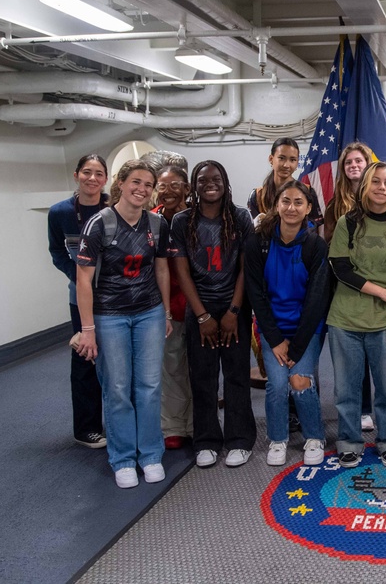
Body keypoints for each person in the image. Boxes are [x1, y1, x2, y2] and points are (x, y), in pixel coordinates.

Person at [74, 159, 172, 489]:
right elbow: (83, 280)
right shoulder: (99, 224)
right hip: (109, 316)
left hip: (149, 313)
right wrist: (88, 329)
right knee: (117, 389)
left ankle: (150, 454)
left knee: (149, 386)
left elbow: (161, 270)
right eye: (136, 182)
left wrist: (167, 313)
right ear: (121, 183)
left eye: (148, 184)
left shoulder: (157, 224)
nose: (142, 189)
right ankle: (123, 458)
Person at [328, 162, 386, 468]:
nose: (382, 188)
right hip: (345, 320)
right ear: (365, 185)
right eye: (376, 182)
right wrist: (380, 291)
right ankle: (350, 442)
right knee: (347, 389)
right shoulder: (347, 223)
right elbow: (340, 267)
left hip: (385, 322)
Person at [171, 160, 258, 469]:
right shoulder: (182, 222)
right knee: (203, 377)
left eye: (216, 178)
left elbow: (247, 267)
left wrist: (234, 310)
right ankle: (206, 440)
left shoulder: (240, 217)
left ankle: (239, 440)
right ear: (194, 186)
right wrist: (203, 316)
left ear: (225, 182)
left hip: (235, 308)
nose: (210, 183)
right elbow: (181, 271)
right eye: (203, 179)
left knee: (236, 376)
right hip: (200, 310)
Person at [245, 180, 331, 467]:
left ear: (308, 208)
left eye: (298, 202)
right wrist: (275, 339)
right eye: (286, 201)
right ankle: (278, 439)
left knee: (300, 380)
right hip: (273, 331)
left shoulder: (315, 245)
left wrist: (296, 348)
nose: (291, 207)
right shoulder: (259, 242)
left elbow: (317, 299)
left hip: (307, 330)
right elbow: (256, 294)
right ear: (276, 205)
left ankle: (314, 437)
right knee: (277, 385)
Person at [47, 154, 108, 449]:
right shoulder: (60, 213)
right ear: (76, 175)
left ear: (106, 179)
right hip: (80, 297)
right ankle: (87, 428)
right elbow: (57, 251)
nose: (92, 178)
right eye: (87, 172)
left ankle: (121, 422)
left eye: (98, 173)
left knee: (117, 360)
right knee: (85, 358)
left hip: (114, 296)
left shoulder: (113, 207)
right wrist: (80, 276)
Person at [322, 141, 377, 432]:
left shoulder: (380, 197)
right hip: (345, 286)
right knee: (350, 357)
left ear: (368, 164)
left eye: (359, 161)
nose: (354, 166)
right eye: (348, 162)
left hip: (377, 285)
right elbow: (332, 245)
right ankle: (359, 410)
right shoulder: (335, 204)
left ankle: (375, 408)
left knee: (374, 353)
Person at [153, 166, 193, 450]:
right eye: (162, 186)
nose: (167, 192)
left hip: (198, 306)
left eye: (174, 185)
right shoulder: (151, 222)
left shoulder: (197, 219)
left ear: (187, 189)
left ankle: (198, 424)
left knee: (199, 369)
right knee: (172, 368)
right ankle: (175, 426)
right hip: (167, 307)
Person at [249, 138, 323, 227]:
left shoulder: (308, 191)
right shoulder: (257, 196)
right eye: (281, 158)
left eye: (292, 160)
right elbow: (252, 232)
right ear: (271, 159)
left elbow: (314, 226)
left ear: (297, 163)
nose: (286, 165)